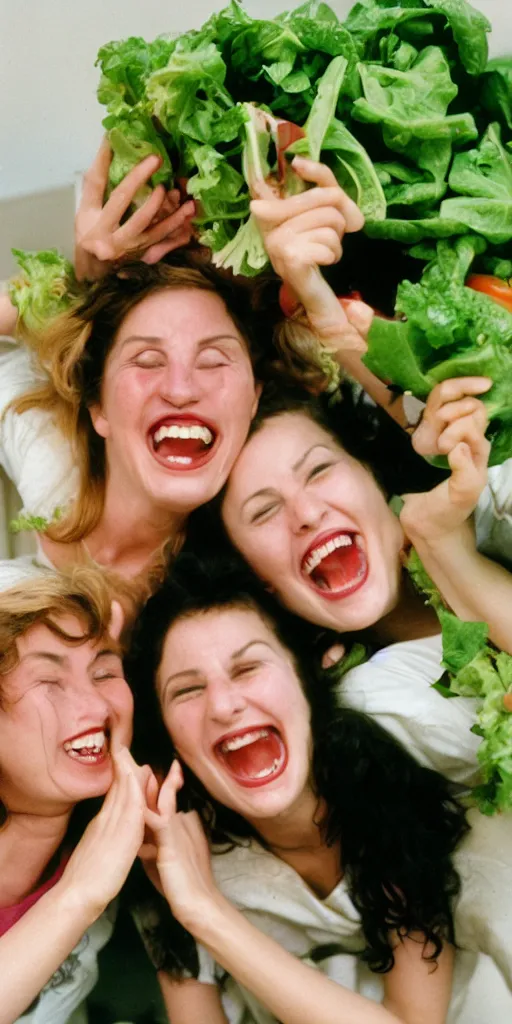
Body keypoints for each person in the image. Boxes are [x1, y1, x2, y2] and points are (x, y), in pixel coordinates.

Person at [126, 552, 512, 1024]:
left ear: (306, 680)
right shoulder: (172, 853)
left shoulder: (384, 789)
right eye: (187, 691)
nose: (224, 705)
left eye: (248, 668)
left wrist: (205, 911)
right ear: (170, 738)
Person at [0, 147, 369, 584]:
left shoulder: (274, 545)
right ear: (98, 405)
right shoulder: (45, 442)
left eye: (213, 361)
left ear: (253, 400)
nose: (180, 388)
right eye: (147, 359)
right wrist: (78, 287)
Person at [0, 561, 149, 1024]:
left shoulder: (108, 845)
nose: (97, 705)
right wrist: (78, 895)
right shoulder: (91, 873)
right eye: (49, 680)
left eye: (105, 672)